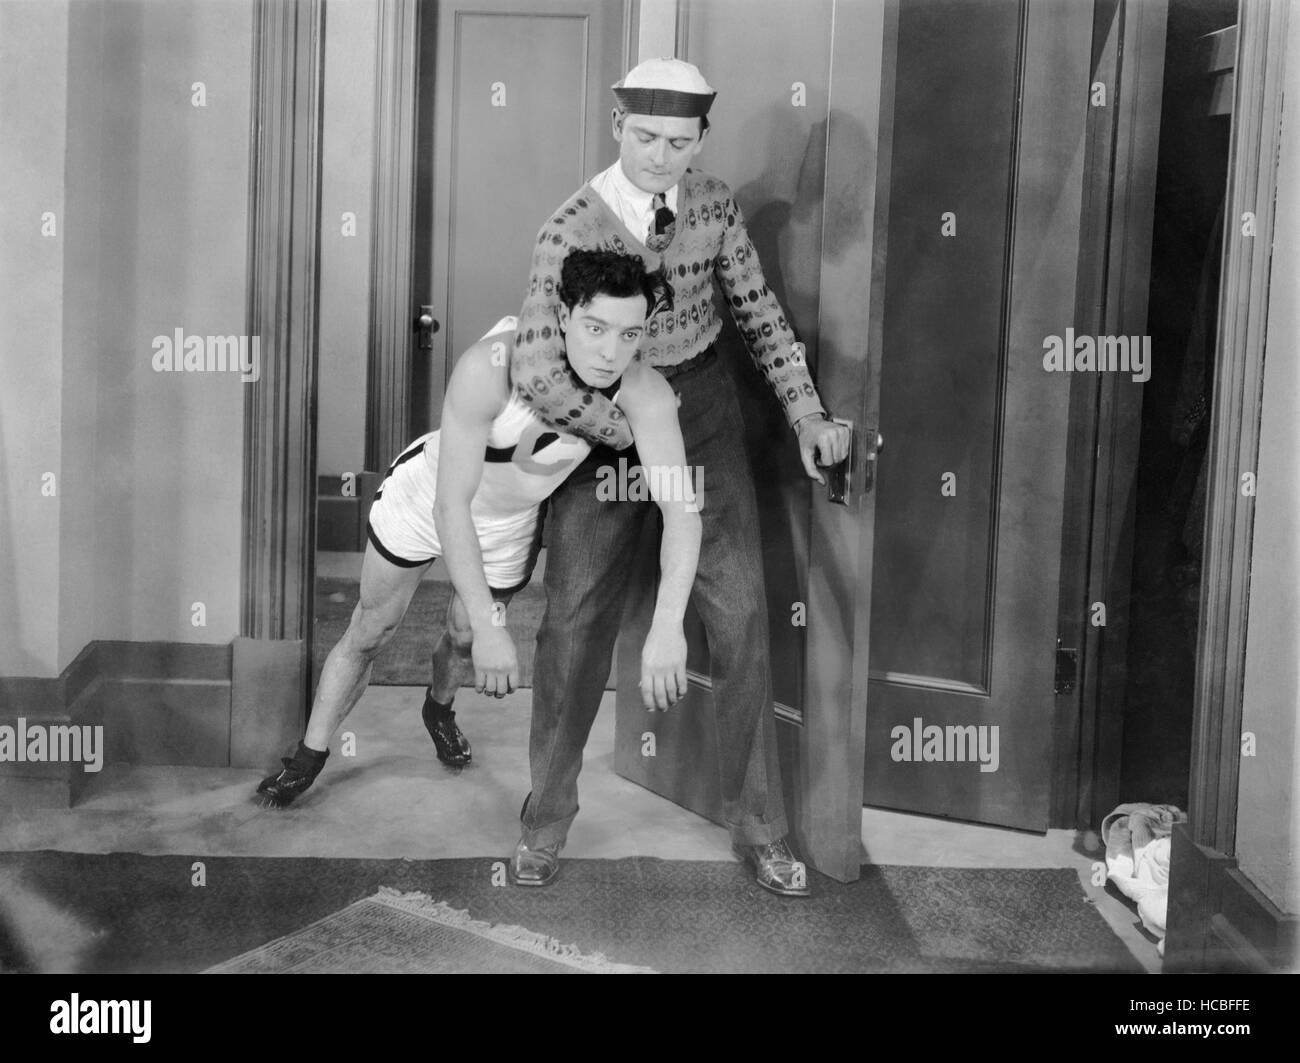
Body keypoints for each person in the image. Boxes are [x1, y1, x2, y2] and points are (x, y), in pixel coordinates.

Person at [508, 58, 851, 895]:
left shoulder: (715, 204)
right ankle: (544, 821)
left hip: (700, 408)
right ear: (617, 128)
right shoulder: (569, 228)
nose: (660, 157)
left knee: (741, 614)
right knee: (572, 625)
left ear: (701, 139)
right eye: (645, 137)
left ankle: (761, 827)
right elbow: (538, 371)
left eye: (678, 142)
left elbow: (760, 313)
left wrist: (807, 413)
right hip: (601, 422)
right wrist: (630, 434)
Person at [255, 250, 700, 808]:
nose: (611, 352)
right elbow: (451, 506)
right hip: (431, 496)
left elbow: (682, 510)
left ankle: (438, 709)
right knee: (372, 628)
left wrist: (669, 624)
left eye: (629, 334)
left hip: (508, 523)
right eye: (595, 328)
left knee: (465, 635)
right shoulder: (490, 366)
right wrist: (495, 629)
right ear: (564, 315)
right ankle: (308, 757)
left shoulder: (644, 393)